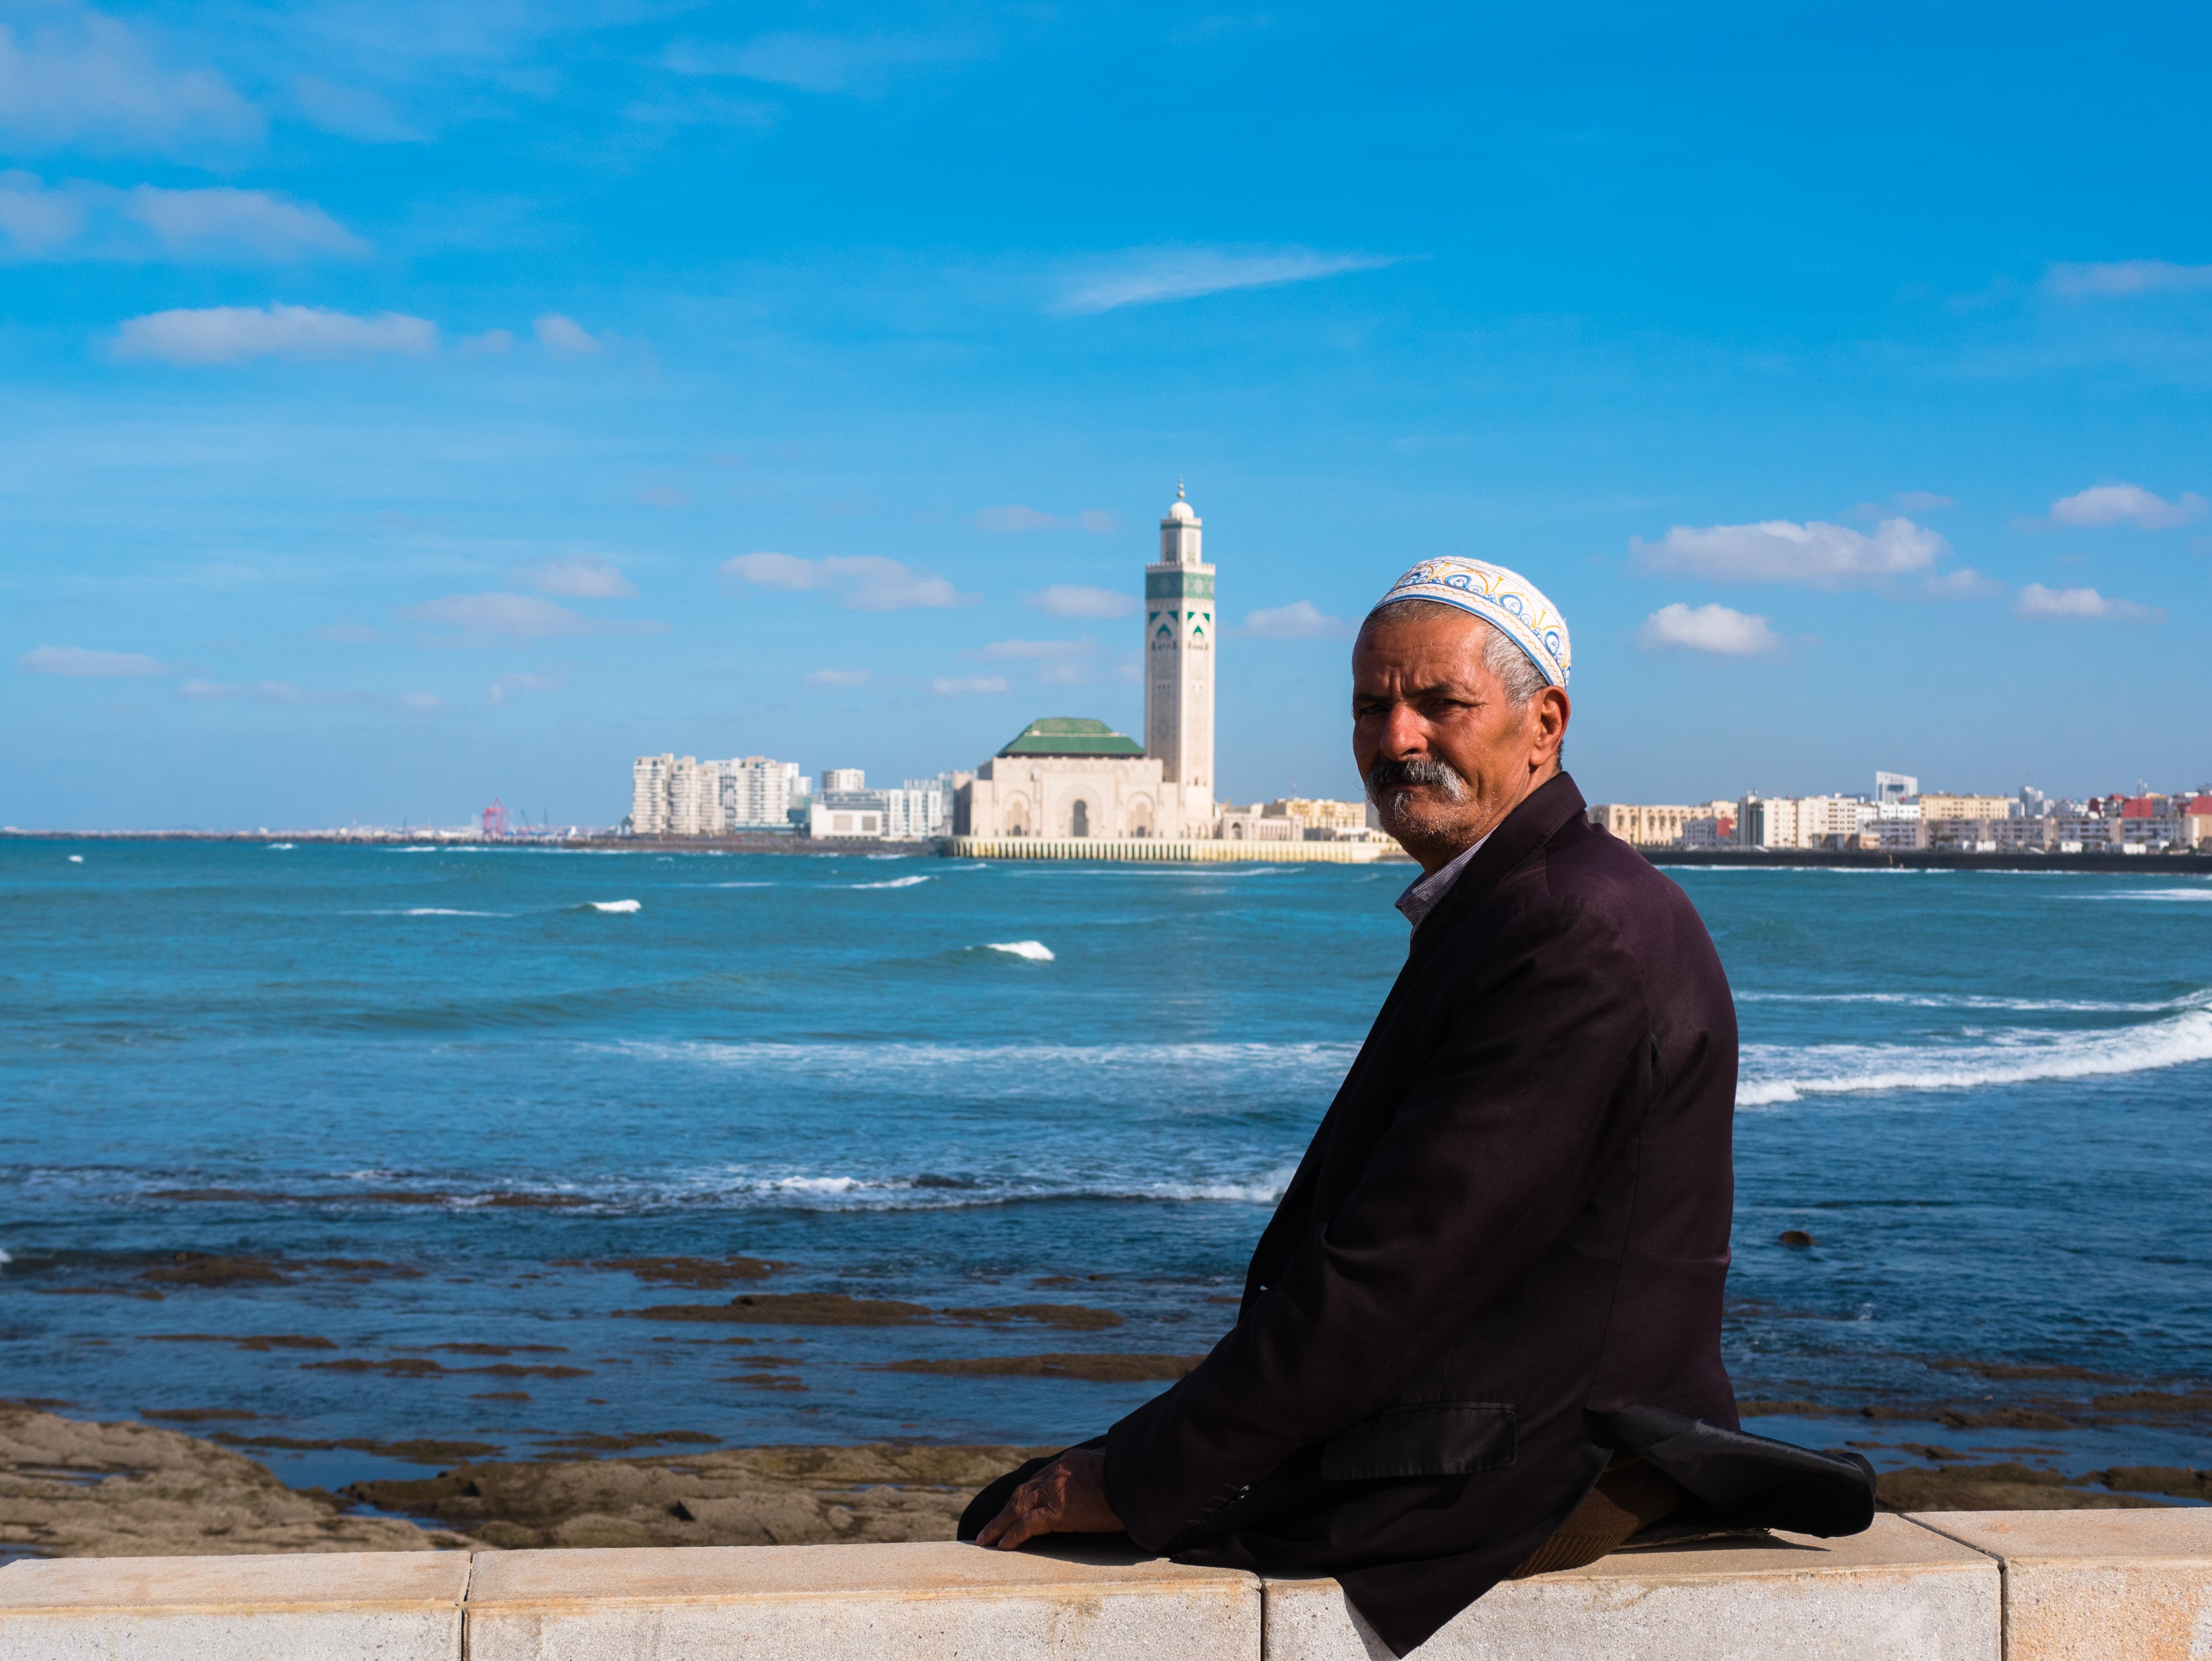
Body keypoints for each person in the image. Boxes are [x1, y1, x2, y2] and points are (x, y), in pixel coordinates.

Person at [961, 558, 1874, 1656]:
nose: (1395, 737)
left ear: (1544, 724)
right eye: (1369, 705)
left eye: (1440, 703)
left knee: (1032, 1518)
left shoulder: (1568, 930)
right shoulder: (1533, 900)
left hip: (1513, 1468)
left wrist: (1150, 1470)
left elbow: (1404, 1263)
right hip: (1504, 1436)